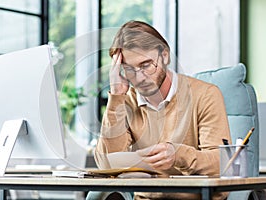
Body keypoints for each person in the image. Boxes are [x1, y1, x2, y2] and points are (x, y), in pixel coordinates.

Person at [92, 20, 231, 200]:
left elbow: (222, 163)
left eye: (146, 65)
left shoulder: (205, 95)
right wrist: (116, 97)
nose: (139, 77)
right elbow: (106, 165)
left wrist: (178, 155)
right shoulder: (126, 102)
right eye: (129, 69)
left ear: (164, 55)